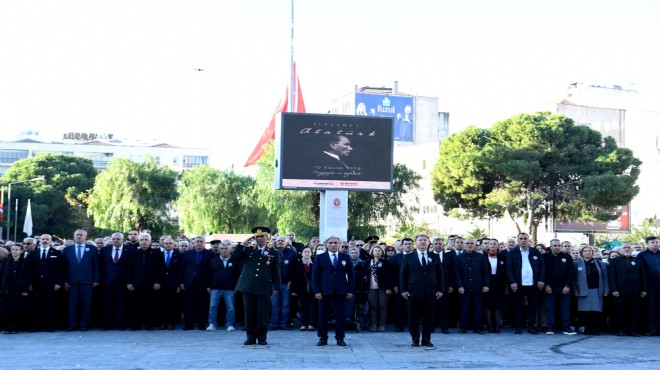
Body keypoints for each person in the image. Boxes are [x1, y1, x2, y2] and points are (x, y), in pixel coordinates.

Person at [232, 227, 281, 345]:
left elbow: (276, 271)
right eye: (257, 236)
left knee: (262, 314)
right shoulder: (248, 250)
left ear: (267, 238)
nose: (259, 238)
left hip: (264, 286)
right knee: (249, 313)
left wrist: (277, 287)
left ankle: (262, 337)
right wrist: (243, 243)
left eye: (262, 236)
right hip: (248, 286)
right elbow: (234, 256)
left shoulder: (273, 252)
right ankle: (251, 337)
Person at [400, 233, 443, 347]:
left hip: (430, 291)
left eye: (425, 240)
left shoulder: (434, 256)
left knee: (428, 317)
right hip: (413, 291)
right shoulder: (408, 257)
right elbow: (403, 275)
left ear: (429, 243)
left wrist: (440, 289)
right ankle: (415, 338)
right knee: (413, 316)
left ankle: (426, 339)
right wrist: (403, 290)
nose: (423, 242)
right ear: (416, 243)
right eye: (420, 240)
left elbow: (440, 275)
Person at [312, 236, 354, 347]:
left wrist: (350, 290)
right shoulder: (320, 257)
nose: (333, 245)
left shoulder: (345, 257)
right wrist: (317, 291)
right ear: (326, 244)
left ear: (339, 244)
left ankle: (340, 338)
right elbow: (315, 276)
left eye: (336, 242)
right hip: (324, 291)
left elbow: (351, 275)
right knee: (323, 316)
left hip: (341, 291)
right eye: (331, 243)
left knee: (340, 316)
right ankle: (323, 338)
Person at [506, 232, 546, 334]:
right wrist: (512, 282)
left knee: (533, 305)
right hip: (518, 284)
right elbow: (509, 268)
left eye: (525, 238)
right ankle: (518, 326)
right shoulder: (512, 252)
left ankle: (531, 326)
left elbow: (542, 266)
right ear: (518, 240)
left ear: (529, 240)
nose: (523, 240)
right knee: (517, 305)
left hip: (533, 283)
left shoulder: (535, 251)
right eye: (521, 238)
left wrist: (541, 279)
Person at [63, 229, 99, 331]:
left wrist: (96, 279)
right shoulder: (67, 249)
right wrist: (64, 280)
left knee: (86, 304)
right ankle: (72, 324)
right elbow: (64, 267)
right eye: (77, 235)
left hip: (87, 281)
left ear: (85, 237)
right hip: (72, 281)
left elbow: (96, 265)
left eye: (81, 235)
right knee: (72, 304)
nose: (78, 236)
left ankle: (84, 324)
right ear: (74, 236)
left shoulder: (92, 249)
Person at [126, 233, 164, 331]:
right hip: (136, 283)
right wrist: (129, 282)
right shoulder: (133, 253)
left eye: (146, 240)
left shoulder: (157, 253)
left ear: (150, 241)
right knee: (135, 304)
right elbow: (129, 269)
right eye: (142, 240)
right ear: (139, 241)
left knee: (150, 304)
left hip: (151, 283)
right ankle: (136, 324)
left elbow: (160, 269)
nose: (144, 241)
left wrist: (158, 282)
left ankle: (149, 324)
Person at [607, 243, 646, 336]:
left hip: (636, 291)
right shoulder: (615, 261)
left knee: (634, 311)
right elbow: (612, 277)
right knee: (620, 311)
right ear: (620, 250)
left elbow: (643, 276)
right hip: (620, 291)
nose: (627, 249)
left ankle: (633, 330)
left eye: (629, 247)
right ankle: (620, 329)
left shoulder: (638, 260)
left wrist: (644, 289)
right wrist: (614, 289)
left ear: (632, 250)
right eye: (624, 248)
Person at [29, 234, 64, 332]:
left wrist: (58, 283)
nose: (45, 241)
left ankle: (50, 325)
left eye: (47, 239)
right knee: (37, 305)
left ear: (50, 241)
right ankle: (37, 325)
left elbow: (60, 270)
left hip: (51, 284)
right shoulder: (33, 253)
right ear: (39, 240)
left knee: (51, 305)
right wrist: (30, 283)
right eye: (43, 239)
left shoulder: (57, 253)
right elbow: (30, 270)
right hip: (36, 284)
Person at [99, 232, 134, 330]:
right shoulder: (105, 250)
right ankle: (108, 324)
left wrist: (129, 281)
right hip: (107, 281)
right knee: (107, 303)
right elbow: (101, 265)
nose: (116, 241)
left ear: (122, 239)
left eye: (118, 239)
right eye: (114, 239)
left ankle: (120, 324)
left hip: (123, 282)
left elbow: (131, 267)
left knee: (121, 303)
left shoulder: (130, 250)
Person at [455, 238, 489, 334]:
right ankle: (463, 327)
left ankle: (478, 327)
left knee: (478, 308)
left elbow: (485, 272)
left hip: (478, 286)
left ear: (475, 245)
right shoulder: (459, 257)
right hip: (464, 287)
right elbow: (457, 273)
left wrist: (486, 285)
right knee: (464, 308)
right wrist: (460, 286)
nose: (470, 245)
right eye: (467, 243)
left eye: (472, 243)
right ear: (464, 245)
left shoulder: (481, 257)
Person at [542, 238, 576, 335]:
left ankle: (567, 328)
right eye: (555, 246)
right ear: (550, 246)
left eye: (558, 245)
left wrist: (568, 286)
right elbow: (543, 272)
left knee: (565, 309)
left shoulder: (567, 257)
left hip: (564, 288)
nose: (557, 247)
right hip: (550, 288)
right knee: (550, 308)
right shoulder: (545, 257)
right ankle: (550, 328)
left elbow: (571, 272)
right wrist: (546, 285)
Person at [573, 245, 608, 335]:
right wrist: (575, 290)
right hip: (583, 290)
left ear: (592, 253)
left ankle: (595, 329)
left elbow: (605, 278)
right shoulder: (576, 264)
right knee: (585, 311)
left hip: (596, 290)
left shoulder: (601, 264)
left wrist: (606, 290)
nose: (588, 252)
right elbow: (573, 278)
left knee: (596, 311)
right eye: (585, 251)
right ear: (581, 253)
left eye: (589, 251)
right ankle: (587, 329)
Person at [180, 236, 214, 331]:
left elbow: (210, 270)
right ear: (193, 243)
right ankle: (189, 324)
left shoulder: (210, 254)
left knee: (202, 304)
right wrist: (181, 281)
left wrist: (209, 284)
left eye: (201, 241)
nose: (199, 243)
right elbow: (182, 268)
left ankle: (201, 324)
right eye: (197, 241)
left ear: (204, 243)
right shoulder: (187, 254)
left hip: (203, 283)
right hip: (189, 282)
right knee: (189, 304)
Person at [206, 240, 238, 331]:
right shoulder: (213, 260)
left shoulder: (234, 260)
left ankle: (230, 324)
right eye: (222, 249)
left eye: (226, 248)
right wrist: (208, 286)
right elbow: (209, 273)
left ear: (230, 249)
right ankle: (212, 324)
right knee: (213, 307)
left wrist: (236, 287)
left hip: (230, 288)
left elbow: (238, 275)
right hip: (215, 288)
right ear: (219, 250)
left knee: (230, 307)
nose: (224, 250)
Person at [1, 244, 31, 333]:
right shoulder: (6, 261)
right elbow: (2, 275)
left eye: (17, 249)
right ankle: (7, 327)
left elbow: (28, 277)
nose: (14, 251)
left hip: (19, 289)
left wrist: (25, 289)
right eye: (13, 249)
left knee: (17, 309)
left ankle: (15, 327)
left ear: (21, 251)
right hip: (8, 289)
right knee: (7, 309)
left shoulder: (25, 262)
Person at [364, 244, 392, 332]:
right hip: (371, 287)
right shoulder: (367, 262)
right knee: (373, 307)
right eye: (375, 250)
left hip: (383, 288)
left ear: (382, 252)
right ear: (372, 252)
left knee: (383, 306)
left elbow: (389, 276)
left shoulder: (386, 262)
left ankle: (382, 325)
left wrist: (388, 288)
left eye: (379, 250)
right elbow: (363, 275)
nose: (377, 252)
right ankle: (373, 324)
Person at [271, 235, 297, 330]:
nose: (280, 242)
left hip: (286, 283)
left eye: (282, 241)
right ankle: (275, 324)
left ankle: (284, 323)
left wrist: (292, 281)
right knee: (274, 304)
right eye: (278, 241)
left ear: (286, 243)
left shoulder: (291, 253)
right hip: (274, 283)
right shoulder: (271, 253)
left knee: (285, 304)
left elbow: (295, 269)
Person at [637, 236, 660, 336]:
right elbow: (639, 272)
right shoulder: (642, 255)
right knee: (649, 308)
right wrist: (643, 287)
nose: (655, 243)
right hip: (649, 286)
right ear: (647, 244)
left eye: (657, 242)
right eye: (653, 242)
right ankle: (650, 329)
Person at [291, 246, 316, 331]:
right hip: (301, 288)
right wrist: (293, 289)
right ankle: (303, 323)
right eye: (305, 252)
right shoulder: (297, 263)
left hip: (313, 288)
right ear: (301, 253)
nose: (307, 253)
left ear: (312, 253)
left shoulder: (315, 262)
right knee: (302, 306)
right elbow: (293, 277)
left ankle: (311, 323)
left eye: (309, 252)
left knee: (312, 306)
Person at [484, 239, 506, 333]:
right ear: (488, 246)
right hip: (487, 283)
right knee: (488, 305)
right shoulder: (483, 257)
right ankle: (489, 326)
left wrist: (506, 286)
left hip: (499, 283)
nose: (492, 246)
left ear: (498, 246)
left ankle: (497, 326)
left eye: (495, 244)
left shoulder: (502, 258)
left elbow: (505, 272)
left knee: (497, 305)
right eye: (491, 244)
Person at [159, 237, 181, 330]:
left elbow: (181, 271)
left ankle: (171, 323)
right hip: (161, 283)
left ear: (174, 244)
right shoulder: (158, 254)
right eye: (166, 243)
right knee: (161, 303)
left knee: (172, 304)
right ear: (163, 244)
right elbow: (156, 270)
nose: (168, 245)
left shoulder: (179, 255)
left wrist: (179, 284)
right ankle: (163, 322)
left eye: (170, 243)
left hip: (173, 284)